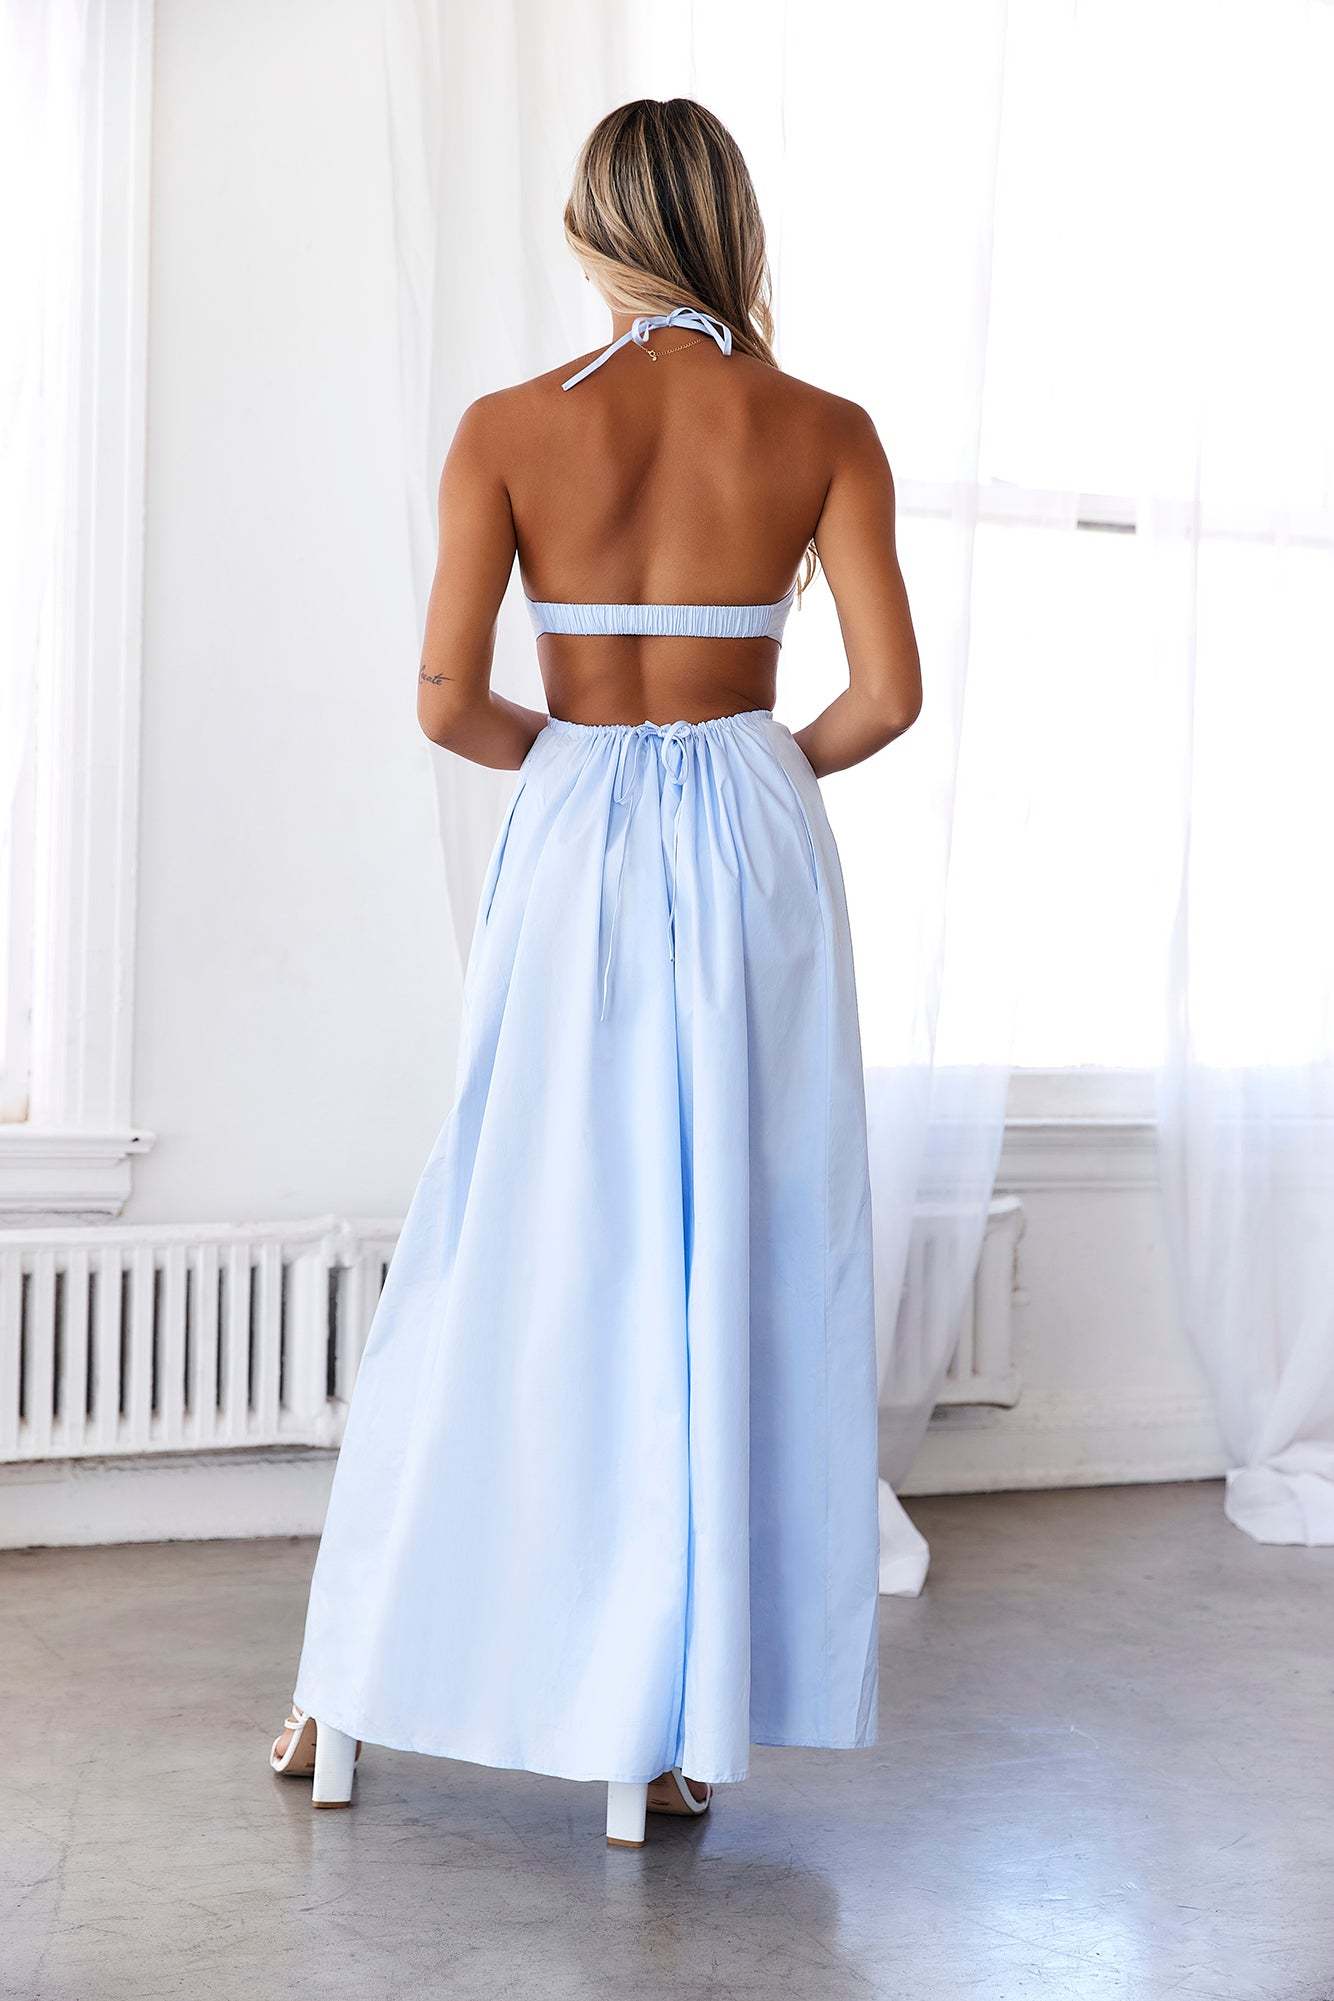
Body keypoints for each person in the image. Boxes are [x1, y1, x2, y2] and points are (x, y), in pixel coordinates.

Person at [271, 96, 921, 1849]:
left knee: (505, 1225)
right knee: (734, 1242)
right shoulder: (822, 428)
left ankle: (352, 1671)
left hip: (571, 840)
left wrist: (580, 765)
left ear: (587, 235)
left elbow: (443, 702)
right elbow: (882, 697)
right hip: (752, 842)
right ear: (731, 226)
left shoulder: (506, 426)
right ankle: (680, 1715)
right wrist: (749, 770)